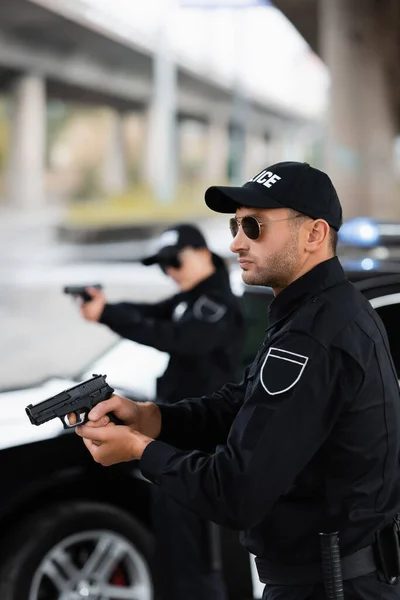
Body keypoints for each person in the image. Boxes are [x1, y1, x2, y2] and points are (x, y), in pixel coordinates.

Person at [74, 161, 400, 600]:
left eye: (254, 226)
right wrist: (150, 417)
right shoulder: (323, 311)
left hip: (329, 586)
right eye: (234, 224)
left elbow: (235, 492)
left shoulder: (313, 336)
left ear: (315, 235)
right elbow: (241, 403)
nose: (235, 243)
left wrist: (140, 450)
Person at [77, 223, 245, 600]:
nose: (169, 270)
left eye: (174, 260)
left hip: (202, 447)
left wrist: (108, 313)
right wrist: (105, 309)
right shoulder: (190, 298)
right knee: (173, 546)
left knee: (197, 555)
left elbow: (174, 338)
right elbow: (151, 312)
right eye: (162, 265)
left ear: (203, 253)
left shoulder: (215, 304)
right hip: (173, 438)